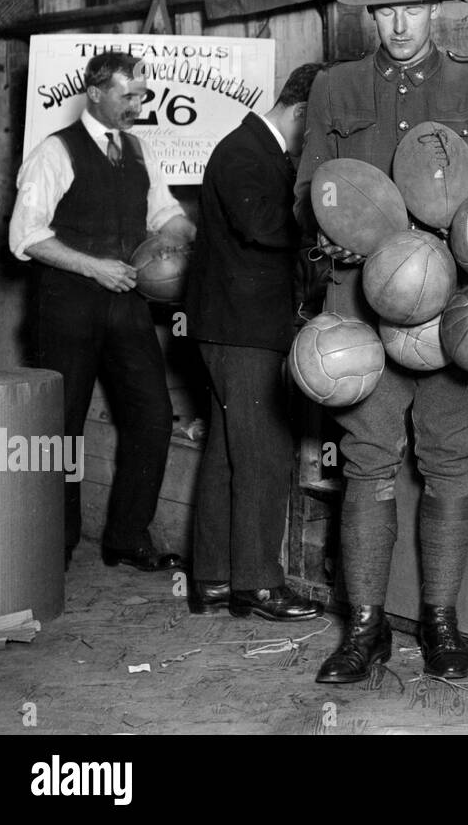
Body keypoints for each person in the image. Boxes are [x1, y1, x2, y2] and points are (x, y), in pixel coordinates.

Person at [294, 0, 468, 684]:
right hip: (363, 306)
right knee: (367, 462)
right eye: (386, 10)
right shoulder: (334, 88)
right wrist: (329, 236)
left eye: (414, 7)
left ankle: (439, 619)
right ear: (371, 13)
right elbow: (307, 193)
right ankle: (364, 626)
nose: (400, 24)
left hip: (456, 308)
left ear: (436, 8)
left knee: (448, 461)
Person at [11, 51, 195, 572]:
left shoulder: (138, 149)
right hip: (68, 305)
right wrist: (94, 267)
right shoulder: (55, 151)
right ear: (95, 93)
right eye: (127, 95)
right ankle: (57, 543)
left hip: (127, 303)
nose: (137, 105)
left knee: (154, 417)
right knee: (61, 428)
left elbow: (165, 213)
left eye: (142, 95)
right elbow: (26, 237)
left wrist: (190, 239)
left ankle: (126, 537)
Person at [183, 63, 330, 621]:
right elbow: (260, 224)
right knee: (265, 454)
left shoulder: (256, 150)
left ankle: (214, 578)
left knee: (227, 452)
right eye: (313, 128)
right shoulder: (244, 151)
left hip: (234, 328)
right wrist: (327, 219)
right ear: (298, 113)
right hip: (242, 331)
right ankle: (259, 584)